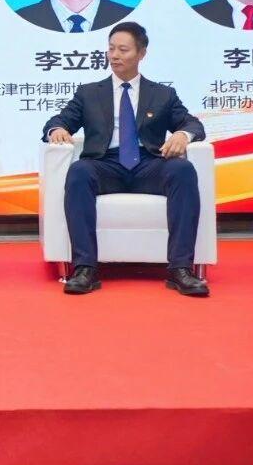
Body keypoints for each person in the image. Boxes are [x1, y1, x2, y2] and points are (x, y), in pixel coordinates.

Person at [42, 21, 209, 297]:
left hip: (148, 163)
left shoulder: (162, 94)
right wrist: (57, 129)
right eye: (111, 49)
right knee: (79, 172)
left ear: (141, 53)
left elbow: (192, 124)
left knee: (183, 170)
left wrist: (183, 135)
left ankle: (180, 269)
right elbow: (59, 120)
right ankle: (85, 268)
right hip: (104, 164)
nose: (115, 55)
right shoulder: (89, 93)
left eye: (123, 49)